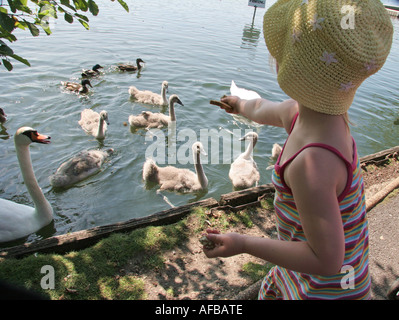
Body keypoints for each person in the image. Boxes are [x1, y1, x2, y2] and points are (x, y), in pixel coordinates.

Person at [204, 0, 393, 300]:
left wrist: (243, 244)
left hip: (324, 291)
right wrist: (240, 105)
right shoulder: (320, 117)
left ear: (295, 69)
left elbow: (327, 260)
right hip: (327, 273)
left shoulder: (312, 164)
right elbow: (263, 107)